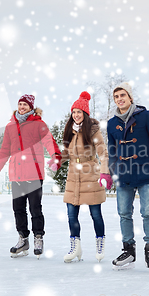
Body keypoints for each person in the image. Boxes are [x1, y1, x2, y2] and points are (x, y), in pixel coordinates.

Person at [107, 82, 149, 270]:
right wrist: (111, 172)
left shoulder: (145, 116)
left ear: (130, 97)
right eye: (116, 97)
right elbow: (112, 151)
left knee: (147, 212)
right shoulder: (112, 123)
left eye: (122, 95)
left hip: (144, 172)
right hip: (124, 174)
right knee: (124, 213)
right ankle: (129, 250)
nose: (119, 99)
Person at [0, 94, 61, 259]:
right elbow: (4, 150)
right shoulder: (10, 127)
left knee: (35, 209)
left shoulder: (38, 124)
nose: (22, 107)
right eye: (20, 104)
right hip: (16, 175)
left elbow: (50, 142)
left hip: (34, 174)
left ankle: (38, 238)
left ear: (31, 107)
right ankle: (23, 239)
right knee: (18, 209)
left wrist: (56, 156)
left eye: (25, 105)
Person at [60, 91, 112, 263]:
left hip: (91, 173)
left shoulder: (93, 131)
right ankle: (76, 247)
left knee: (95, 213)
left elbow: (103, 154)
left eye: (79, 112)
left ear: (85, 114)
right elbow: (66, 152)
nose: (76, 115)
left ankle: (100, 243)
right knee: (71, 214)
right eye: (74, 112)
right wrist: (57, 160)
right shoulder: (69, 130)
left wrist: (105, 172)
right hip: (73, 174)